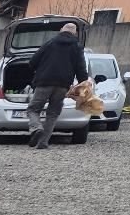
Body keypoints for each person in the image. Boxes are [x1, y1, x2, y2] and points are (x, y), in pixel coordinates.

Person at [25, 22, 87, 150]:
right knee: (53, 114)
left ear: (61, 30)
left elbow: (33, 62)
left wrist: (39, 69)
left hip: (44, 82)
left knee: (33, 109)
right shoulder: (77, 46)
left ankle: (36, 128)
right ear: (75, 33)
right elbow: (81, 68)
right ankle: (43, 143)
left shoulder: (50, 43)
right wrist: (83, 83)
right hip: (63, 85)